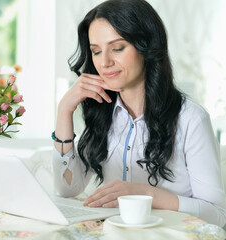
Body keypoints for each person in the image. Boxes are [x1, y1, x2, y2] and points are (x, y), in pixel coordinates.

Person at [52, 0, 226, 227]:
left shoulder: (190, 119)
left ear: (146, 46)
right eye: (96, 51)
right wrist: (64, 110)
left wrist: (145, 193)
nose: (104, 62)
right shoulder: (101, 111)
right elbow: (67, 189)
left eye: (117, 48)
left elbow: (218, 215)